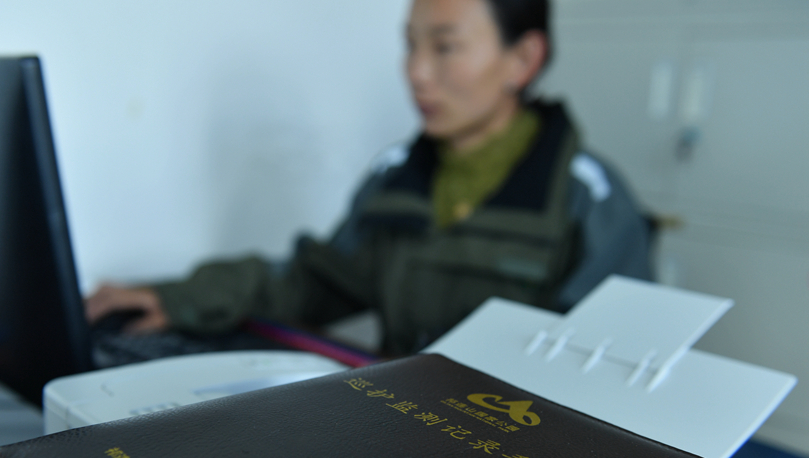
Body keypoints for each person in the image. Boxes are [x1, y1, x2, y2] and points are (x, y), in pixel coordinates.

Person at [86, 0, 652, 356]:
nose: (416, 72)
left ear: (523, 59)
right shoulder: (396, 180)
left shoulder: (587, 200)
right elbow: (314, 282)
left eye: (445, 47)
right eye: (410, 45)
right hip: (402, 436)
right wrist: (182, 297)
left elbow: (611, 366)